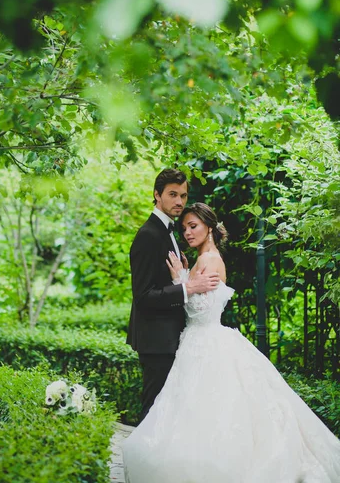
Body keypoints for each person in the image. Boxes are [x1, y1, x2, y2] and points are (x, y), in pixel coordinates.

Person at [123, 202, 340, 483]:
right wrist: (187, 280)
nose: (188, 233)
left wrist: (180, 280)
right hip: (197, 341)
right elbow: (200, 297)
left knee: (212, 411)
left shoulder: (210, 259)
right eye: (185, 227)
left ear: (209, 228)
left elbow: (203, 309)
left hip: (205, 340)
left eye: (194, 226)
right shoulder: (203, 258)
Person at [126, 169, 220, 422]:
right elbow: (144, 295)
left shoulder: (168, 232)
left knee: (166, 414)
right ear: (157, 195)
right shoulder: (148, 235)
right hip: (156, 341)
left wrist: (185, 277)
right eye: (172, 195)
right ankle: (140, 461)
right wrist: (187, 287)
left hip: (170, 338)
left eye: (183, 195)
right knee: (153, 410)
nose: (179, 201)